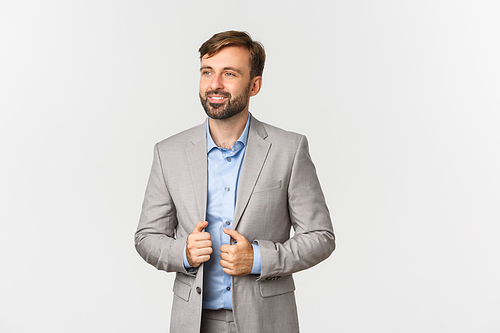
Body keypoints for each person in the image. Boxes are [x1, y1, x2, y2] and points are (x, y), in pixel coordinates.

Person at [135, 30, 335, 333]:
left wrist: (258, 259)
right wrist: (184, 254)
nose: (214, 84)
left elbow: (321, 236)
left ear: (254, 85)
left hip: (267, 321)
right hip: (195, 322)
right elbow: (147, 237)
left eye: (229, 74)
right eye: (207, 72)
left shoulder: (289, 150)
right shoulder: (168, 153)